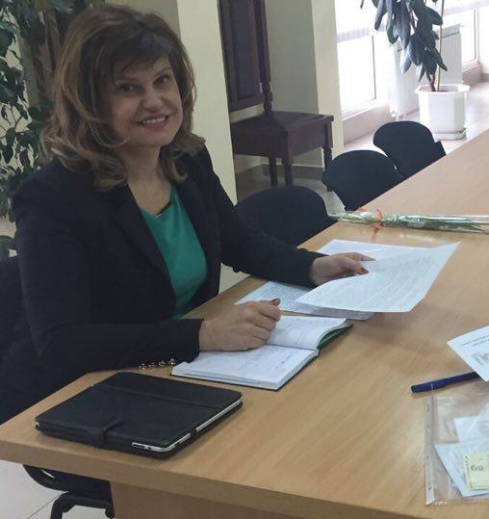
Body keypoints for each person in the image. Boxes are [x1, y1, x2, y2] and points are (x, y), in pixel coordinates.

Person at [0, 5, 368, 426]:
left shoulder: (186, 159)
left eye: (162, 80)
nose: (154, 101)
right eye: (127, 88)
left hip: (179, 370)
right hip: (81, 396)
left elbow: (240, 243)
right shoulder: (53, 199)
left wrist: (313, 267)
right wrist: (203, 334)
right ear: (89, 103)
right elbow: (62, 343)